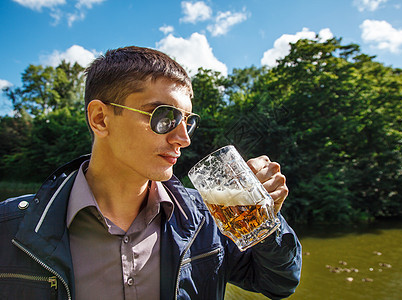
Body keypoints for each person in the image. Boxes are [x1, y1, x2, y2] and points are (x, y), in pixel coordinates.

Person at [0, 46, 302, 300]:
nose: (183, 138)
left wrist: (266, 223)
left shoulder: (207, 219)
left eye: (188, 121)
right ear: (101, 118)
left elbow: (279, 282)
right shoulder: (9, 229)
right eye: (165, 116)